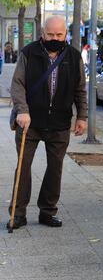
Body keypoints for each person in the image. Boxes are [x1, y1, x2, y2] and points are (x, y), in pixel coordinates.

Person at [7, 16, 87, 230]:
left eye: (59, 35)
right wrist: (22, 111)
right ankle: (18, 213)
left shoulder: (74, 56)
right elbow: (17, 85)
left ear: (65, 35)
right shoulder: (29, 53)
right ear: (42, 34)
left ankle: (47, 211)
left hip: (60, 122)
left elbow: (80, 89)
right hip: (29, 122)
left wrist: (82, 117)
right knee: (23, 168)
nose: (54, 38)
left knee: (55, 169)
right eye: (50, 34)